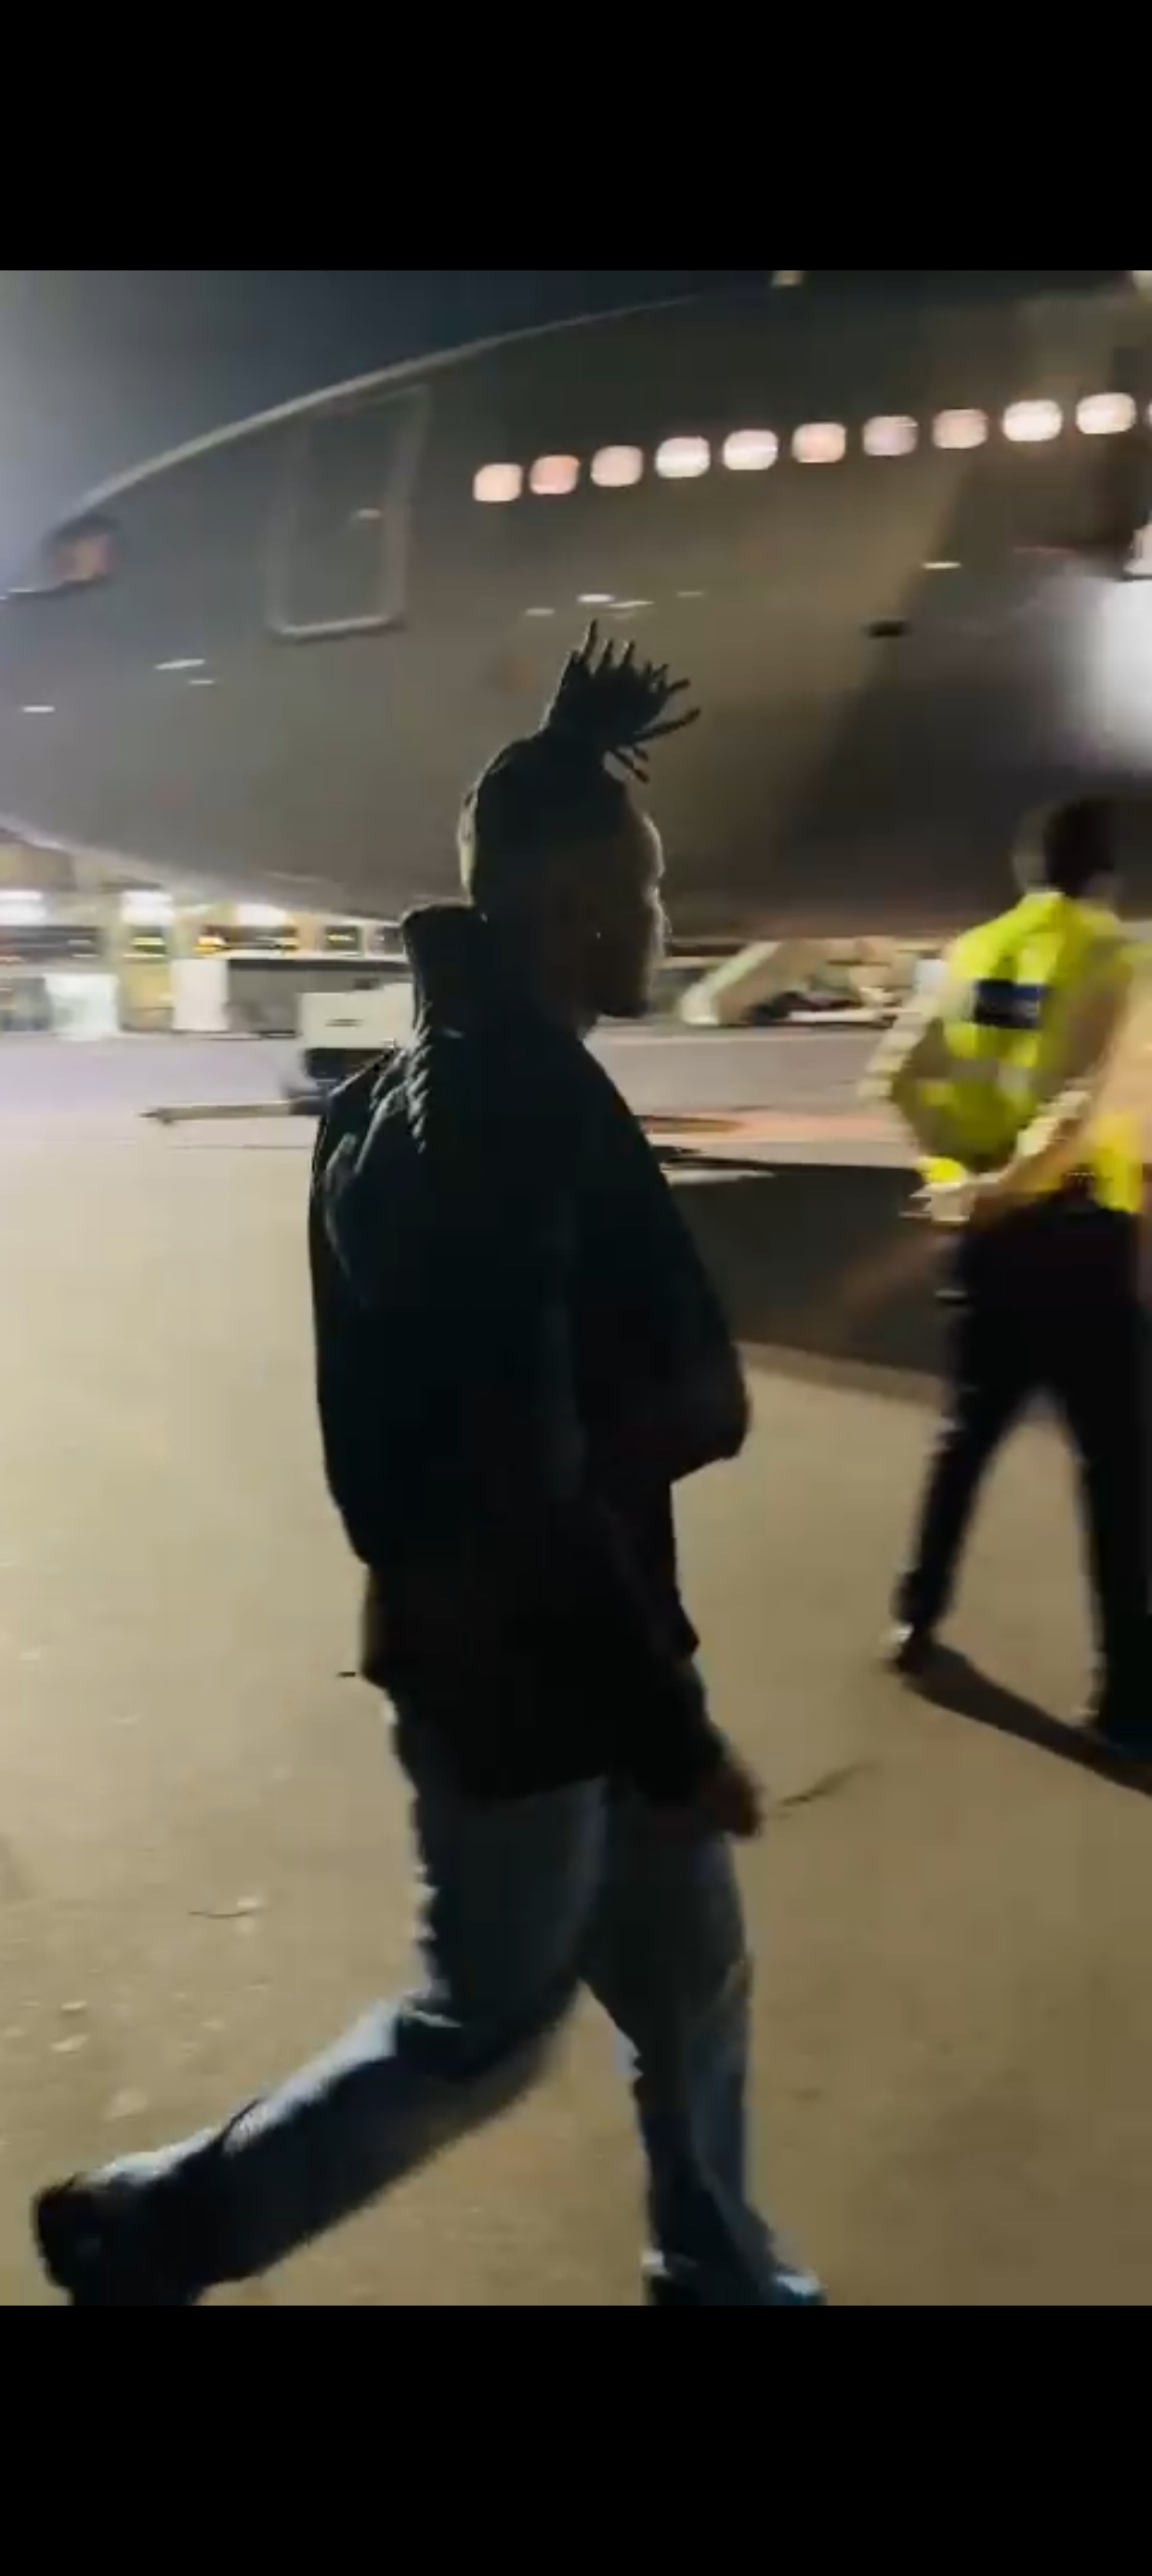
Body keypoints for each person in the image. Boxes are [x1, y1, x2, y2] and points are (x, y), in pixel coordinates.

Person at [33, 627, 823, 2307]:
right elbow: (522, 1470)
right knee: (483, 2025)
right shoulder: (502, 1115)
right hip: (530, 1677)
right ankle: (151, 2229)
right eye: (645, 889)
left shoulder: (434, 1089)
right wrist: (669, 1730)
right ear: (574, 908)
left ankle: (721, 2273)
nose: (665, 918)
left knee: (692, 1985)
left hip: (579, 1642)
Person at [867, 797, 1149, 1754]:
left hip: (989, 1246)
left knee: (968, 1432)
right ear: (1107, 874)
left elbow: (901, 1078)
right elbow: (1089, 1111)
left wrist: (961, 1176)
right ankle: (1126, 1698)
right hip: (1080, 1241)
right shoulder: (1117, 959)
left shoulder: (979, 955)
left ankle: (915, 1618)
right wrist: (1010, 1186)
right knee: (1116, 1471)